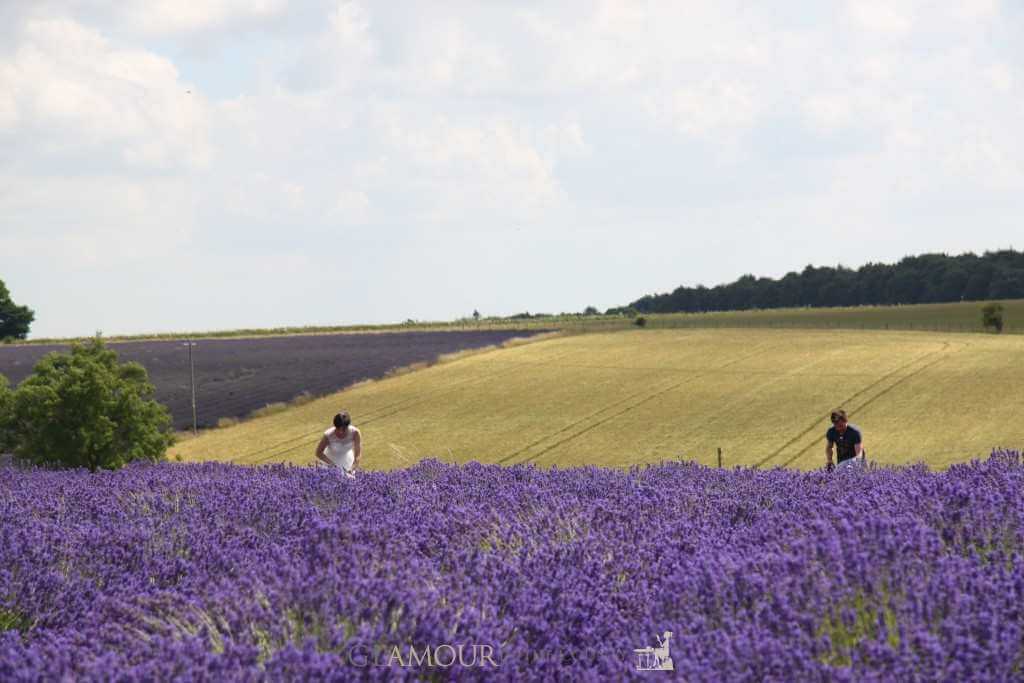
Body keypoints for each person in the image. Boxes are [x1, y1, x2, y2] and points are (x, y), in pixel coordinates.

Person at [314, 411, 361, 478]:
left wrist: (352, 468)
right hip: (329, 461)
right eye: (338, 429)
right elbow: (318, 453)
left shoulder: (355, 433)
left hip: (347, 461)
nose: (341, 432)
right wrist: (332, 465)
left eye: (344, 429)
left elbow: (357, 455)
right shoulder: (328, 435)